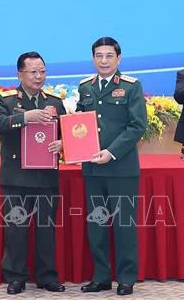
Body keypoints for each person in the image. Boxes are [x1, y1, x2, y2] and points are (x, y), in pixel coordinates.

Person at [0, 51, 67, 295]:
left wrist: (63, 143)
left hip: (46, 177)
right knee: (16, 228)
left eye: (42, 71)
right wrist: (25, 117)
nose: (38, 76)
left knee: (46, 229)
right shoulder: (7, 100)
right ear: (19, 74)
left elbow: (67, 132)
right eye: (33, 72)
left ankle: (47, 277)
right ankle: (16, 277)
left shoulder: (55, 102)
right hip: (17, 177)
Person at [76, 37, 147, 297]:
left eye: (109, 56)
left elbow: (137, 126)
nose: (104, 60)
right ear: (93, 58)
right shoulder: (85, 86)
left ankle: (126, 278)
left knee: (123, 225)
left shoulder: (131, 86)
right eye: (99, 56)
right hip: (92, 168)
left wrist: (111, 152)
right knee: (96, 225)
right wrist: (69, 142)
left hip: (121, 168)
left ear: (118, 58)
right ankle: (101, 277)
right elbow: (80, 123)